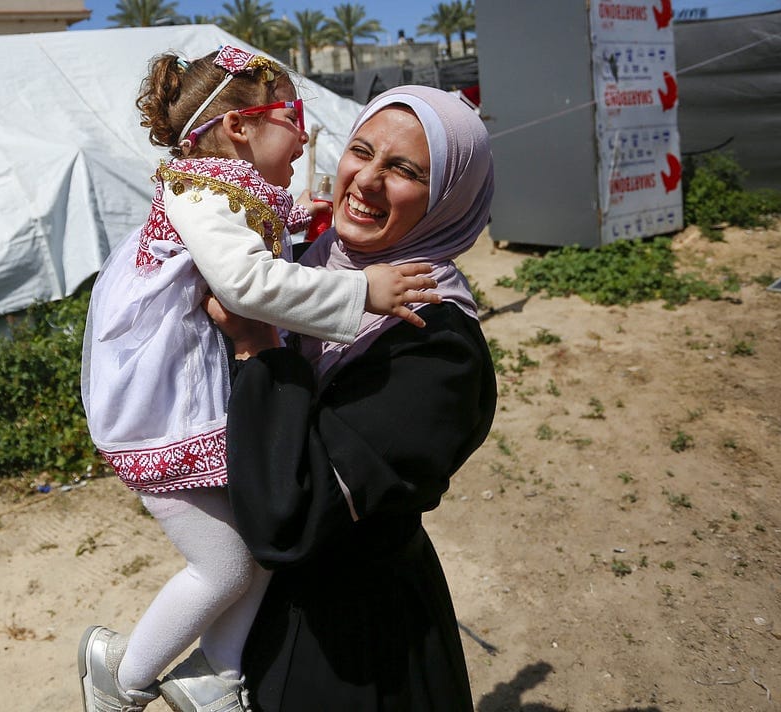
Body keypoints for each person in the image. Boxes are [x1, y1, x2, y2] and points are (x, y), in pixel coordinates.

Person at [77, 47, 441, 712]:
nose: (304, 134)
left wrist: (304, 222)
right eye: (293, 115)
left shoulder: (220, 192)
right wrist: (362, 291)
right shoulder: (201, 194)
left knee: (260, 542)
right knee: (224, 566)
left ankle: (216, 670)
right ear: (240, 127)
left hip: (188, 397)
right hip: (159, 412)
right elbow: (245, 281)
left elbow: (254, 247)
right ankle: (121, 678)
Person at [207, 85, 497, 711]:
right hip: (263, 618)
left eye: (405, 170)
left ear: (449, 199)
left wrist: (258, 348)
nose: (366, 180)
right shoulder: (304, 268)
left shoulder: (437, 349)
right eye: (361, 151)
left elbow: (289, 518)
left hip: (356, 647)